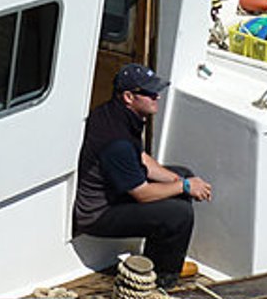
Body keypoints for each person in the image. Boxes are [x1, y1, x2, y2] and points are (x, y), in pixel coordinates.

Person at [74, 63, 213, 282]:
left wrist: (179, 180)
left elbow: (140, 157)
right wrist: (185, 186)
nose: (156, 96)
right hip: (99, 214)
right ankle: (162, 279)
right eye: (149, 93)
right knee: (178, 215)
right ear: (129, 97)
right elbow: (142, 194)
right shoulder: (116, 140)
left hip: (117, 192)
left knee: (183, 175)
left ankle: (161, 260)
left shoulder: (119, 115)